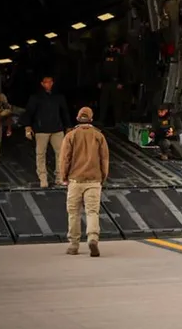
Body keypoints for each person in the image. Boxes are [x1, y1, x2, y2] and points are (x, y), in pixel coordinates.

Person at [59, 107, 109, 257]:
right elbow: (104, 159)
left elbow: (64, 159)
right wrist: (102, 177)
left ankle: (73, 245)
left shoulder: (70, 136)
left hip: (75, 180)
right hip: (94, 180)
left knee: (73, 213)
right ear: (91, 119)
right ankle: (93, 238)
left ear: (77, 118)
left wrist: (63, 177)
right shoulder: (99, 136)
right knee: (92, 211)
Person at [20, 76, 71, 188]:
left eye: (50, 82)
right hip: (41, 130)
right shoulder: (36, 97)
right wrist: (27, 127)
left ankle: (60, 177)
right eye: (46, 82)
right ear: (42, 83)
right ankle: (43, 178)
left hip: (57, 129)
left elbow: (64, 112)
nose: (49, 84)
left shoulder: (58, 97)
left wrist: (68, 127)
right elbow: (29, 112)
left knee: (61, 153)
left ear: (53, 83)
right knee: (40, 154)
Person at [97, 42, 125, 126]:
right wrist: (99, 81)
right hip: (105, 82)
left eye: (113, 47)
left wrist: (121, 82)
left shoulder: (120, 57)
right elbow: (100, 69)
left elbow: (123, 70)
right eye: (110, 47)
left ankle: (117, 121)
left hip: (116, 82)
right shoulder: (103, 56)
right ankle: (101, 120)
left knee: (117, 103)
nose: (112, 49)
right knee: (103, 102)